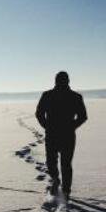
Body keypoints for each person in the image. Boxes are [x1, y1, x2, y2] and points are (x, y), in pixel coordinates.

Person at [35, 71, 87, 201]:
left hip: (58, 134)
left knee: (56, 162)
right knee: (63, 163)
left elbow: (83, 116)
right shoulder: (71, 96)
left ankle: (62, 186)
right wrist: (71, 126)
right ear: (68, 81)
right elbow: (39, 113)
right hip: (63, 134)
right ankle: (62, 187)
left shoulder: (53, 95)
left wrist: (47, 126)